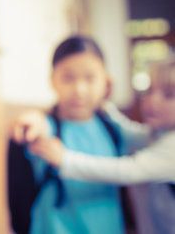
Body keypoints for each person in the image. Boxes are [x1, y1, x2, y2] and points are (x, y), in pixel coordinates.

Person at [18, 58, 175, 234]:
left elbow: (128, 169)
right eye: (149, 90)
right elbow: (128, 131)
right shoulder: (156, 134)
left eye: (169, 94)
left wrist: (65, 160)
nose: (152, 100)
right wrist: (102, 99)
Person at [7, 35, 127, 234]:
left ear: (105, 81)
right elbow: (36, 126)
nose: (79, 90)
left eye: (90, 78)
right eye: (68, 78)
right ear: (52, 80)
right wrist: (32, 121)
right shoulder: (43, 130)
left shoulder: (114, 129)